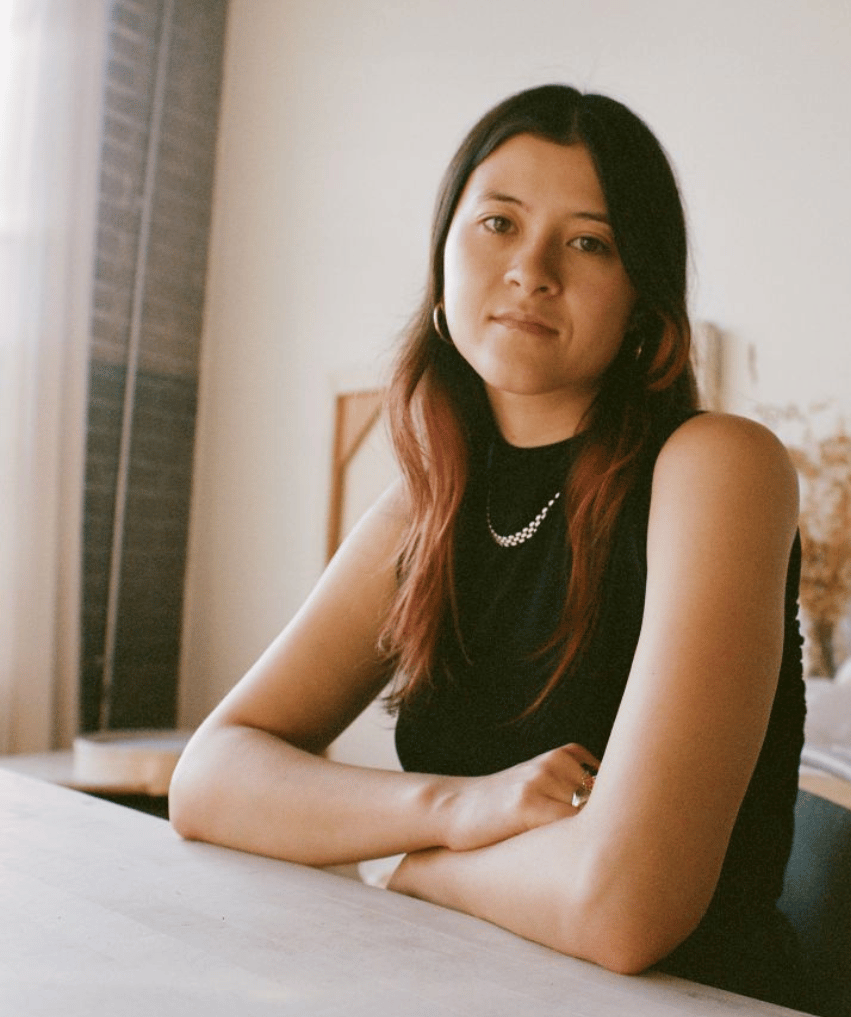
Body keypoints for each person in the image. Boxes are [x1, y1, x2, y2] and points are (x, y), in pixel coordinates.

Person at [169, 84, 807, 1008]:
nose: (532, 268)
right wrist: (455, 808)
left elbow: (624, 909)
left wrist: (414, 865)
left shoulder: (718, 468)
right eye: (498, 223)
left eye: (589, 241)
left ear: (643, 299)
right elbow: (212, 778)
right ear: (442, 260)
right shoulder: (425, 505)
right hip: (460, 982)